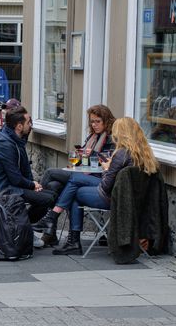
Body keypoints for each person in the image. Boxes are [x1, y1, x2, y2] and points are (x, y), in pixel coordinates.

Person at [36, 117, 158, 255]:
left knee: (75, 190)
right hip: (132, 199)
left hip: (115, 198)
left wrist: (106, 168)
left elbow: (106, 186)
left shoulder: (121, 154)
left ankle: (68, 236)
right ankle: (57, 223)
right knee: (75, 182)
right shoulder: (144, 153)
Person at [35, 104, 116, 245]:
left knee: (50, 173)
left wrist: (91, 155)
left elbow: (106, 162)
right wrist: (80, 156)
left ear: (106, 120)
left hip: (96, 178)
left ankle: (40, 215)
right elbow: (81, 163)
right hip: (83, 174)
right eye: (92, 121)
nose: (94, 125)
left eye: (98, 121)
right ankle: (50, 231)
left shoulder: (111, 138)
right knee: (54, 185)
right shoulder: (92, 137)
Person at [0, 106, 57, 247]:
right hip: (3, 189)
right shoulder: (6, 144)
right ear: (19, 126)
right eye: (29, 122)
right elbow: (15, 178)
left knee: (52, 194)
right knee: (48, 198)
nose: (31, 125)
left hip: (13, 185)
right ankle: (24, 228)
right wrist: (32, 185)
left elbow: (24, 170)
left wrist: (33, 184)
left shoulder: (17, 139)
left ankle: (24, 228)